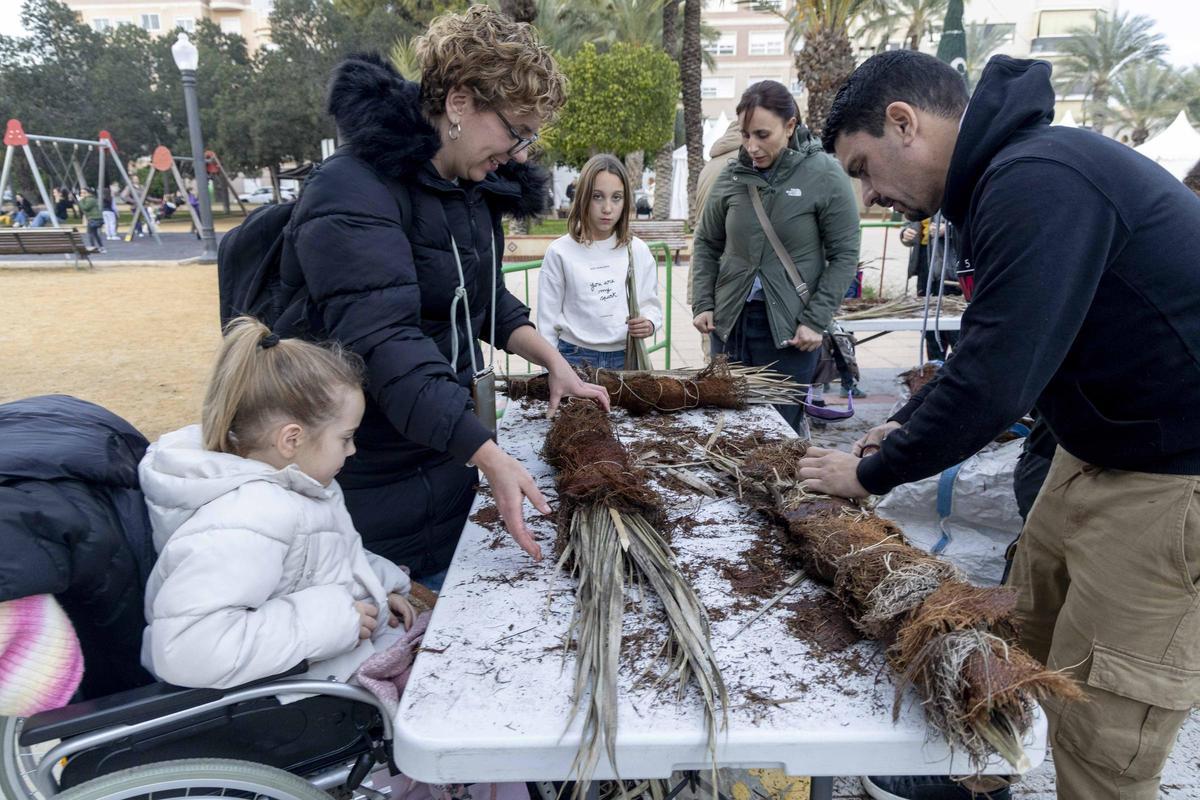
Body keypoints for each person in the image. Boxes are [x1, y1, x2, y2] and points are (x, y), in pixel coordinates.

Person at [802, 51, 1200, 800]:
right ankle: (974, 782)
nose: (869, 196)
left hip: (1170, 483)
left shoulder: (1036, 178)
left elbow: (996, 380)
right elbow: (990, 344)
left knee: (1104, 727)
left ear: (902, 124)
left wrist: (867, 473)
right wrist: (907, 425)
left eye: (863, 167)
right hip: (1088, 454)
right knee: (1017, 647)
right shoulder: (1008, 181)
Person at [282, 7, 609, 589]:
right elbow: (385, 344)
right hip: (367, 478)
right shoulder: (350, 190)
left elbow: (486, 303)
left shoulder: (470, 189)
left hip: (445, 455)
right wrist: (484, 450)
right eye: (516, 131)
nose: (519, 153)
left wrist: (555, 362)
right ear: (460, 102)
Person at [139, 317, 418, 689]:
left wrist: (381, 589)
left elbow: (329, 555)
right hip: (286, 701)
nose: (352, 450)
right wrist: (335, 621)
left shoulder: (295, 486)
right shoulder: (248, 518)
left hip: (319, 666)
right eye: (346, 438)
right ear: (291, 439)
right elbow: (188, 650)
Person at [691, 79, 860, 435]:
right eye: (745, 134)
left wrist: (816, 319)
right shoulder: (731, 175)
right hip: (731, 326)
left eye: (762, 134)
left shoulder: (824, 175)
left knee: (780, 433)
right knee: (731, 429)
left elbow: (844, 254)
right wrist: (703, 303)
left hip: (789, 334)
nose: (752, 146)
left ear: (790, 125)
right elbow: (707, 242)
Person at [536, 153, 663, 369]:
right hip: (573, 358)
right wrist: (552, 369)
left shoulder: (637, 250)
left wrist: (649, 323)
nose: (607, 208)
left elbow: (651, 305)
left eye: (616, 197)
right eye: (597, 196)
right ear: (584, 197)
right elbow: (546, 322)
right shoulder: (560, 252)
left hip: (625, 357)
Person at [898, 218, 960, 361]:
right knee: (928, 325)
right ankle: (934, 368)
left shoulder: (951, 198)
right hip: (923, 265)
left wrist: (948, 230)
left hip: (948, 269)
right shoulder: (918, 202)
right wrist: (905, 233)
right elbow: (909, 224)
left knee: (951, 324)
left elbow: (969, 225)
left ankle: (960, 369)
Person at [77, 187, 105, 253]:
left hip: (94, 218)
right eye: (81, 193)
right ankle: (101, 247)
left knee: (90, 233)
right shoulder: (89, 199)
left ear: (88, 193)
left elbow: (85, 208)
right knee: (94, 233)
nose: (82, 194)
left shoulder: (90, 199)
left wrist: (80, 201)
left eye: (84, 193)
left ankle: (92, 247)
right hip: (95, 218)